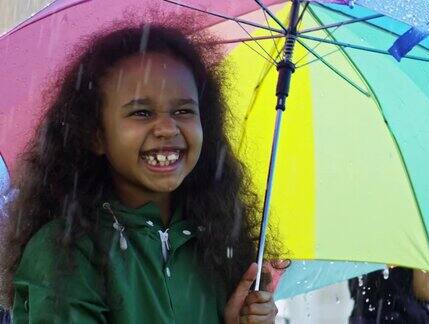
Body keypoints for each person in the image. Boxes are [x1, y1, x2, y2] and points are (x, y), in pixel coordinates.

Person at [0, 23, 281, 323]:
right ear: (96, 134)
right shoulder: (64, 251)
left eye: (183, 111)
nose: (167, 128)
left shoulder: (218, 239)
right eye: (141, 113)